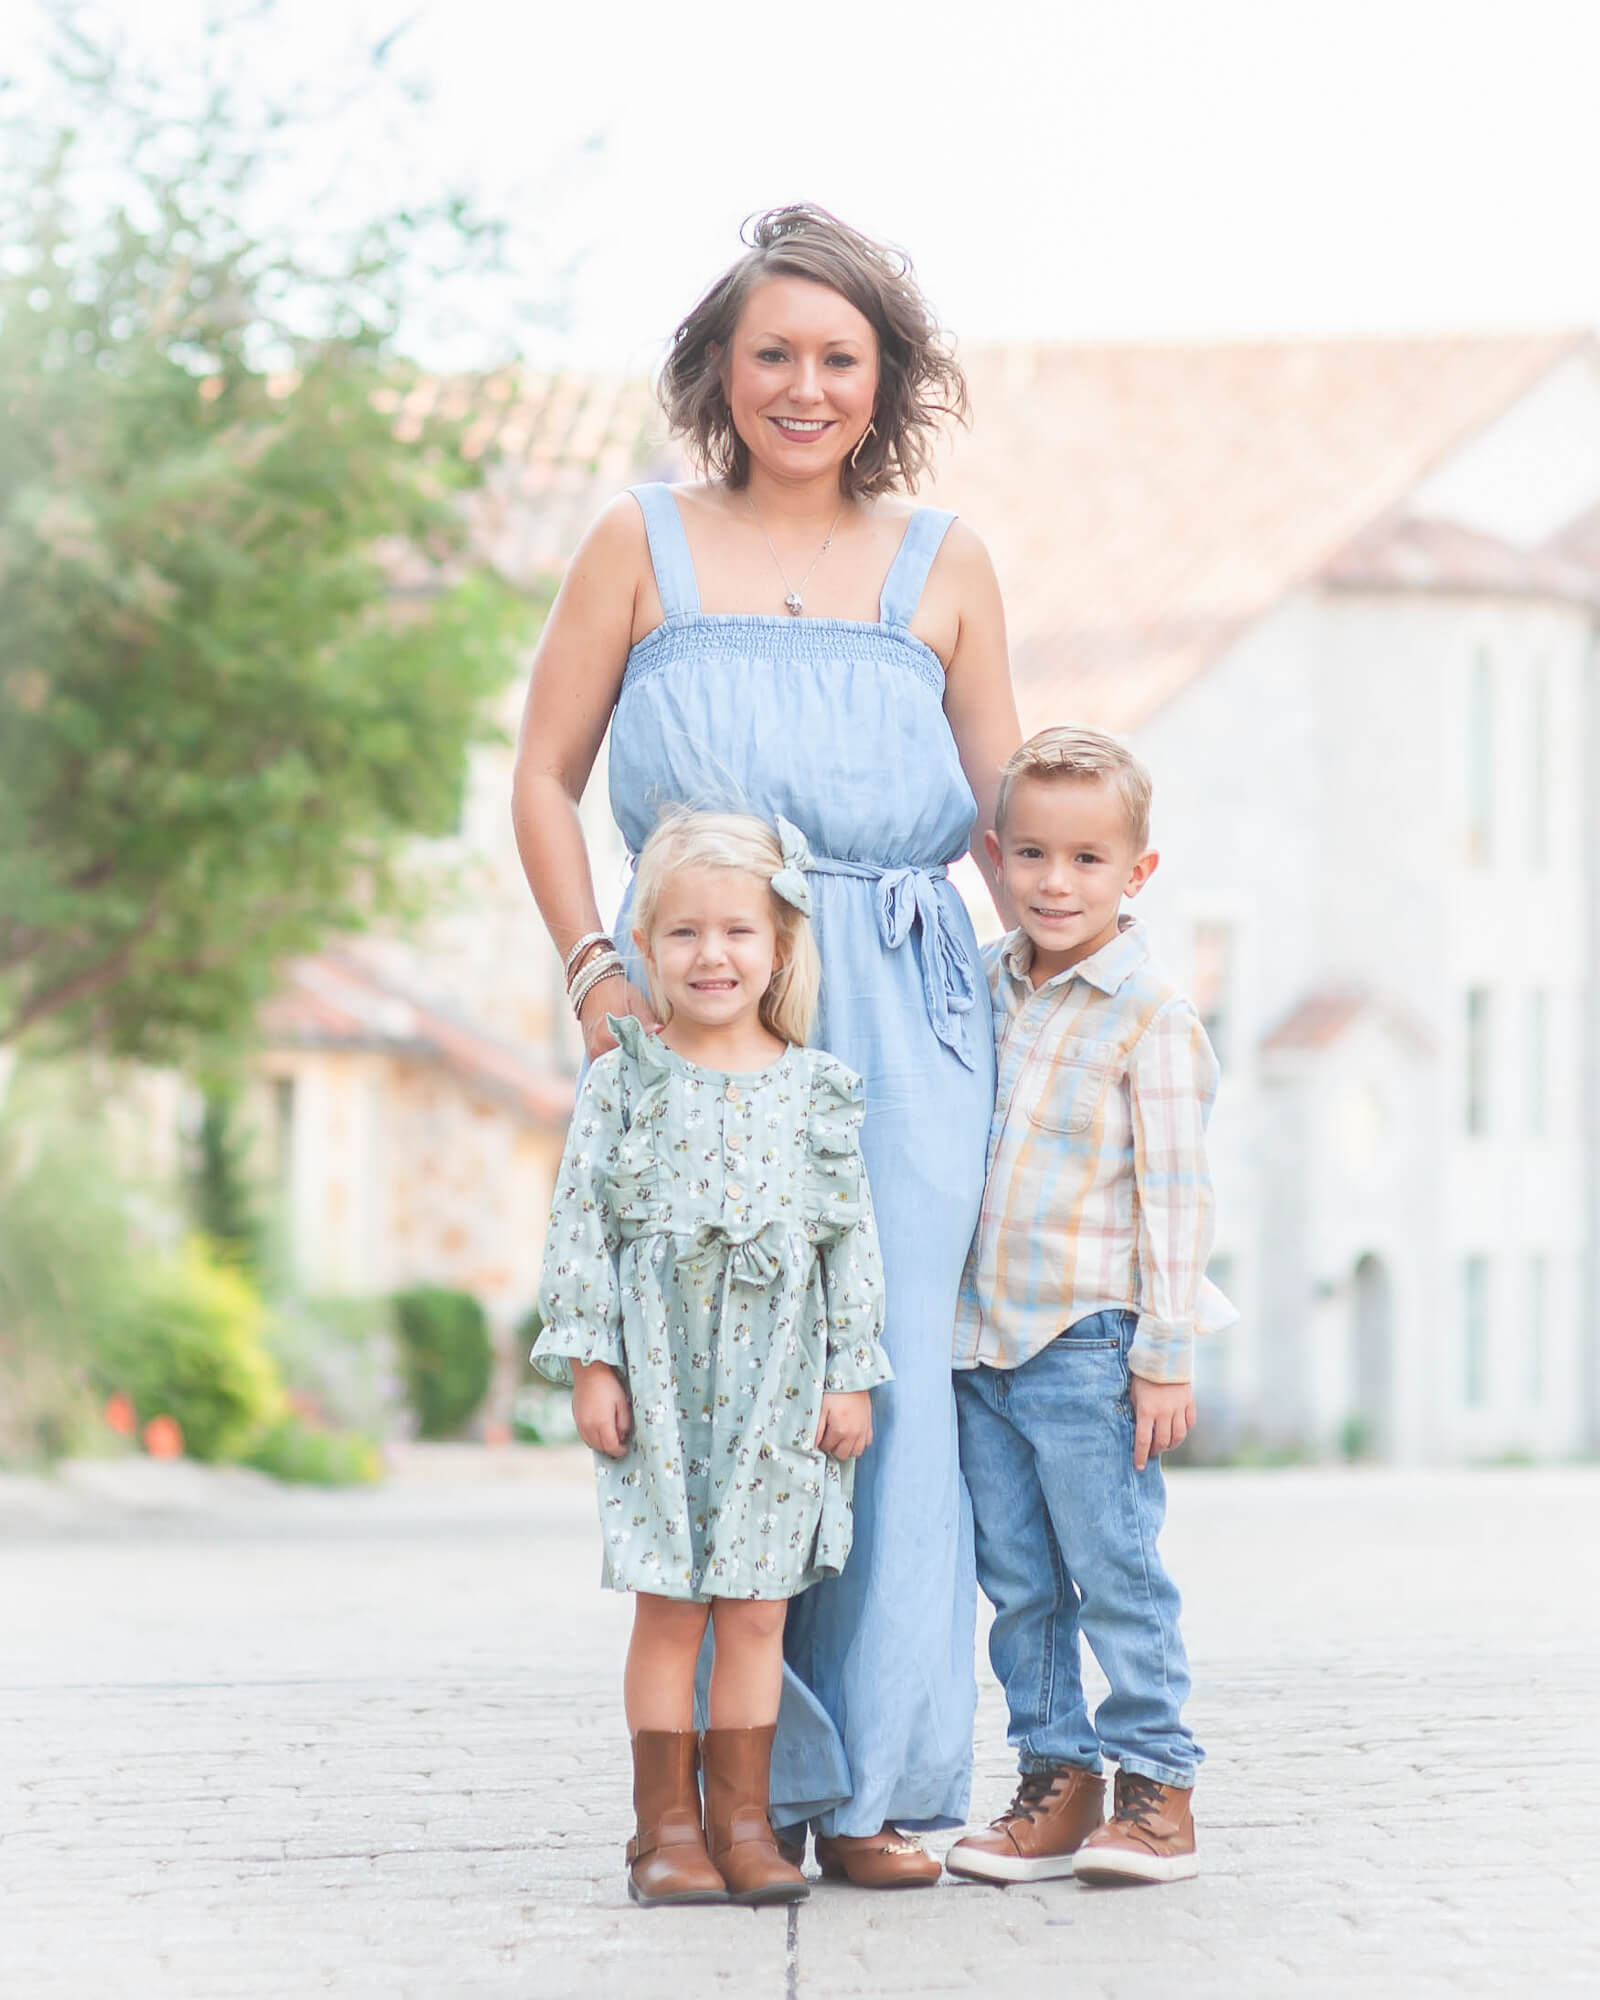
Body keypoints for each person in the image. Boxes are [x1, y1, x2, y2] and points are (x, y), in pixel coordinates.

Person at [512, 204, 1020, 1885]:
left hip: (907, 999)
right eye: (775, 354)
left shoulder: (944, 561)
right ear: (720, 373)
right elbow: (543, 777)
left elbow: (1012, 815)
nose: (806, 386)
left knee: (879, 1395)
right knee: (711, 1378)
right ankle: (735, 1795)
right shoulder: (635, 541)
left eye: (841, 358)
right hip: (702, 1013)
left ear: (888, 381)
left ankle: (875, 1791)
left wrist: (1105, 988)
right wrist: (595, 965)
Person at [532, 809, 891, 1907]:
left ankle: (746, 1824)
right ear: (644, 947)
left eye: (737, 930)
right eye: (683, 932)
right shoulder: (624, 1077)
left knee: (756, 1608)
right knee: (668, 1604)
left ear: (779, 946)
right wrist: (593, 1360)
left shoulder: (815, 1087)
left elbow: (848, 1237)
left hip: (780, 1382)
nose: (711, 954)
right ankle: (665, 1829)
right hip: (660, 1378)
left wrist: (849, 1370)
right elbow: (579, 1222)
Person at [944, 726, 1235, 1889]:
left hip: (1089, 1347)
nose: (1055, 883)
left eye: (1085, 859)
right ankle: (1054, 1779)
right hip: (979, 1346)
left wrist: (1163, 1355)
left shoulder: (1149, 1014)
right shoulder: (978, 984)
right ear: (993, 857)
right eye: (1031, 855)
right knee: (1017, 1580)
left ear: (1136, 872)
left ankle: (1155, 1786)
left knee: (1115, 1568)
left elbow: (1176, 1195)